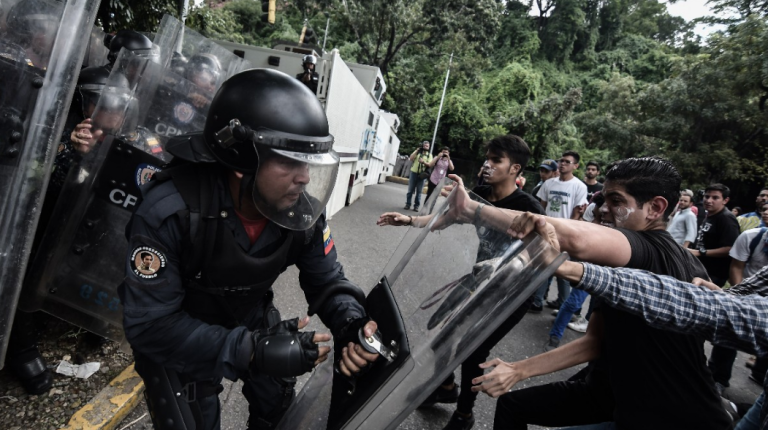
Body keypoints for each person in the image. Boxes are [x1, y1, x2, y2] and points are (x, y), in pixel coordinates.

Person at [119, 69, 379, 430]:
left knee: (277, 409)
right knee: (189, 418)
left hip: (250, 316)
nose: (303, 177)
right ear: (242, 162)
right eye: (288, 161)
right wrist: (252, 351)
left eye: (307, 162)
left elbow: (327, 280)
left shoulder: (298, 211)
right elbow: (149, 324)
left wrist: (350, 323)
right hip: (179, 329)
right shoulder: (170, 210)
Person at [445, 156, 730, 430]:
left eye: (617, 201)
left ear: (655, 208)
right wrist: (519, 369)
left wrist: (472, 209)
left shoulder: (644, 248)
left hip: (670, 415)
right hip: (615, 391)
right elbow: (596, 340)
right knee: (513, 405)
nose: (604, 209)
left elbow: (575, 238)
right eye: (604, 199)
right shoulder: (684, 262)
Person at [378, 134, 542, 430]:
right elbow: (448, 217)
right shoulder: (480, 194)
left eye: (496, 160)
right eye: (487, 158)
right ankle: (445, 387)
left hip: (512, 293)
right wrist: (410, 220)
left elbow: (543, 253)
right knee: (439, 335)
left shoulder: (528, 206)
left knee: (473, 350)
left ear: (516, 169)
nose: (487, 164)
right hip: (480, 280)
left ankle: (464, 415)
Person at [707, 200, 768, 396]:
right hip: (747, 291)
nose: (766, 212)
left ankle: (760, 373)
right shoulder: (751, 237)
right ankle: (718, 378)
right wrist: (734, 299)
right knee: (728, 331)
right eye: (765, 209)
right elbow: (737, 268)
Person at [536, 151, 588, 311]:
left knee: (562, 271)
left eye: (567, 161)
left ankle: (563, 302)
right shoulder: (549, 184)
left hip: (565, 233)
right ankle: (537, 300)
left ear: (575, 166)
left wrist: (568, 233)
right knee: (543, 266)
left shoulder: (579, 186)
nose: (562, 163)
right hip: (547, 230)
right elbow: (542, 207)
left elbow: (577, 213)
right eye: (561, 160)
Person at [689, 184, 741, 286]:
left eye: (715, 198)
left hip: (714, 274)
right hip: (700, 269)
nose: (708, 200)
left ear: (725, 200)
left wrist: (700, 252)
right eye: (707, 196)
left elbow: (731, 248)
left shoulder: (726, 218)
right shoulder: (710, 214)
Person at [404, 140, 433, 212]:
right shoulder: (418, 153)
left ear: (429, 147)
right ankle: (408, 204)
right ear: (422, 146)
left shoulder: (429, 155)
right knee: (410, 190)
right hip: (414, 172)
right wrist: (416, 151)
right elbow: (411, 158)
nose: (426, 147)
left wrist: (423, 162)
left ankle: (416, 206)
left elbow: (430, 164)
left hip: (422, 175)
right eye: (425, 145)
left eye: (427, 146)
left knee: (419, 192)